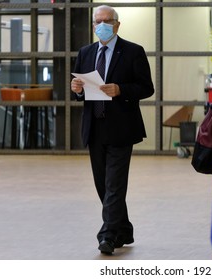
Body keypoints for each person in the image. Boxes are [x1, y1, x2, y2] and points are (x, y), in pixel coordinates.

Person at [70, 5, 154, 255]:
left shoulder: (133, 52)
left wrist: (121, 90)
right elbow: (81, 89)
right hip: (94, 127)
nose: (102, 25)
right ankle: (124, 229)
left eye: (107, 21)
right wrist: (77, 89)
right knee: (103, 186)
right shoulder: (85, 52)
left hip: (121, 129)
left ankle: (107, 235)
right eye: (98, 21)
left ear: (117, 24)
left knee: (114, 184)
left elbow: (146, 88)